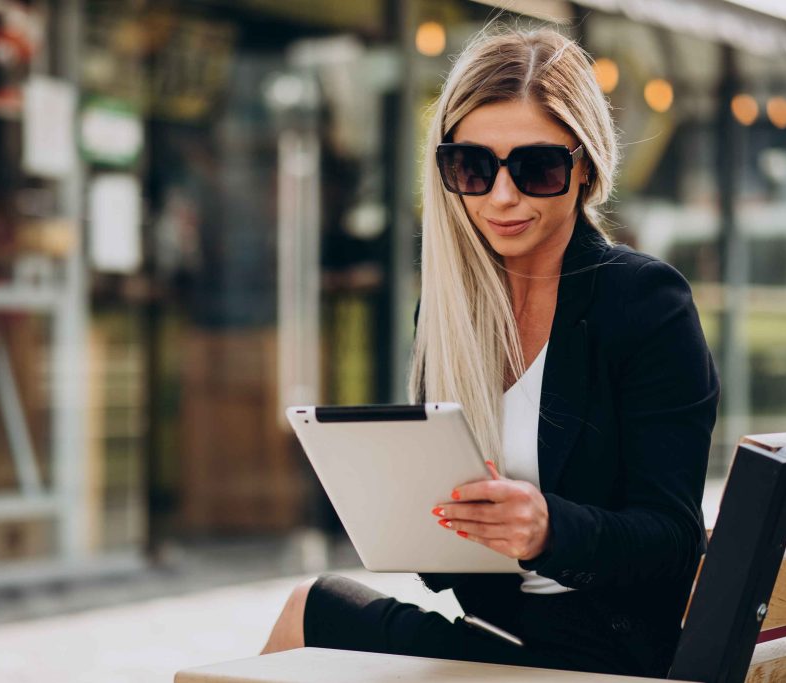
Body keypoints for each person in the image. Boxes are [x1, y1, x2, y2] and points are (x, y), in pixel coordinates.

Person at [260, 24, 720, 678]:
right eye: (474, 167)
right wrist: (403, 512)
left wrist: (547, 530)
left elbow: (673, 539)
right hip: (502, 636)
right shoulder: (451, 309)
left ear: (584, 165)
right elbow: (448, 572)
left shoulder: (643, 302)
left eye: (536, 168)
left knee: (310, 611)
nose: (502, 197)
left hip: (604, 654)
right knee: (311, 609)